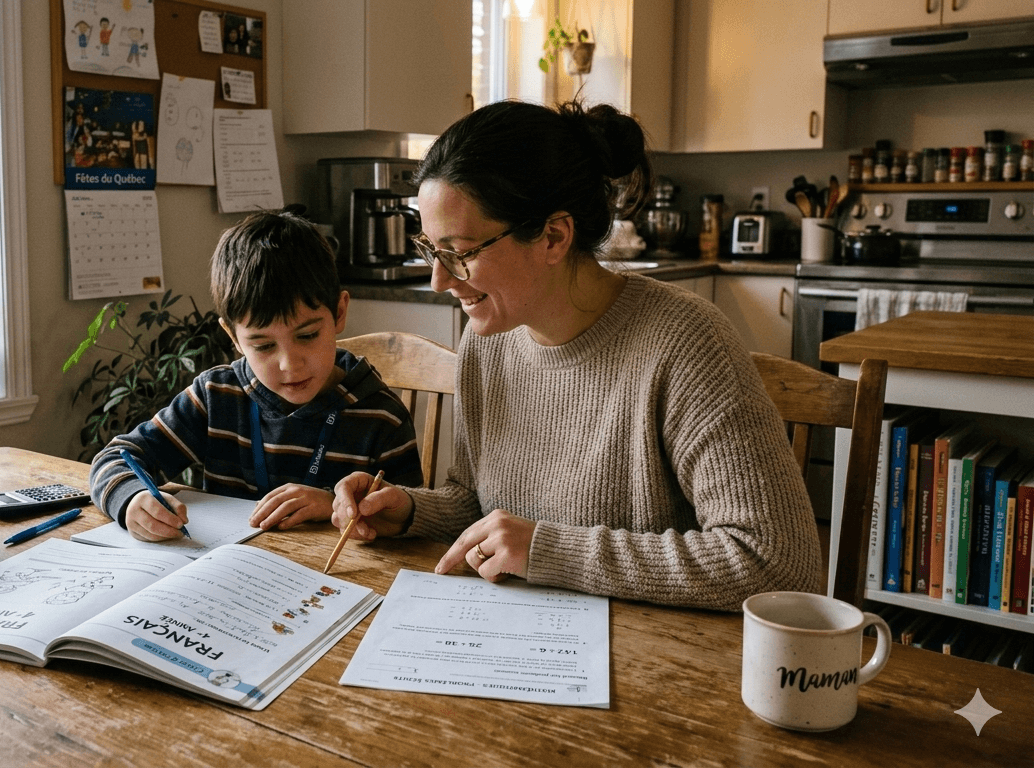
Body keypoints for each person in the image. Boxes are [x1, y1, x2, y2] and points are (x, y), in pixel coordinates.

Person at [330, 100, 823, 612]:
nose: (439, 280)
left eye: (460, 252)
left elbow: (778, 563)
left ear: (553, 236)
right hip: (519, 637)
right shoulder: (485, 342)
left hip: (653, 660)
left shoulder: (685, 343)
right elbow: (479, 505)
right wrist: (409, 510)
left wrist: (549, 550)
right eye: (431, 250)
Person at [90, 208, 422, 541]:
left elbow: (409, 525)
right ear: (233, 338)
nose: (290, 365)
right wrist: (132, 499)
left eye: (306, 336)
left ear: (338, 312)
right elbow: (116, 458)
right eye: (263, 346)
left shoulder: (382, 417)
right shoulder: (215, 397)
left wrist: (335, 505)